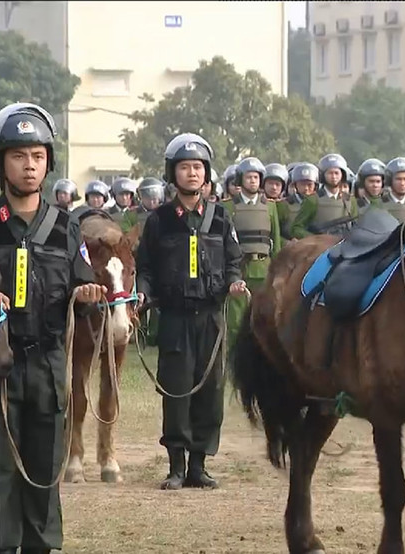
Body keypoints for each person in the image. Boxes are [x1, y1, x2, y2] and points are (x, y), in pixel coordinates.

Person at [0, 102, 105, 554]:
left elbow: (84, 284)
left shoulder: (66, 226)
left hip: (48, 364)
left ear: (48, 162)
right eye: (19, 155)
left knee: (44, 467)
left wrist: (87, 296)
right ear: (0, 161)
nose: (29, 165)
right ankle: (2, 546)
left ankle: (41, 546)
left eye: (38, 156)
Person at [134, 132, 247, 491]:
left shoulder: (221, 218)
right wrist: (142, 292)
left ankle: (199, 465)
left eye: (198, 167)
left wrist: (234, 283)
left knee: (210, 393)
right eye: (185, 167)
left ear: (207, 173)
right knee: (177, 391)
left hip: (211, 318)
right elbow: (145, 267)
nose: (192, 173)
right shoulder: (159, 220)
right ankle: (176, 468)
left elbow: (234, 261)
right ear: (173, 173)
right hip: (174, 318)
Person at [221, 157, 282, 353]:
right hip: (239, 268)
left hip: (264, 267)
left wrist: (278, 270)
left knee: (264, 316)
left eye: (256, 177)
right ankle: (234, 355)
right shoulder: (228, 206)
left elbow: (276, 240)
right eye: (249, 177)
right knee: (236, 319)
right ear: (240, 179)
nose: (253, 181)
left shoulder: (270, 206)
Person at [290, 154, 358, 238]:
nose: (334, 177)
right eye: (330, 173)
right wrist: (316, 239)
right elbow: (296, 228)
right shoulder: (312, 200)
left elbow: (356, 225)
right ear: (323, 175)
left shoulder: (350, 200)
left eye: (336, 173)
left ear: (342, 175)